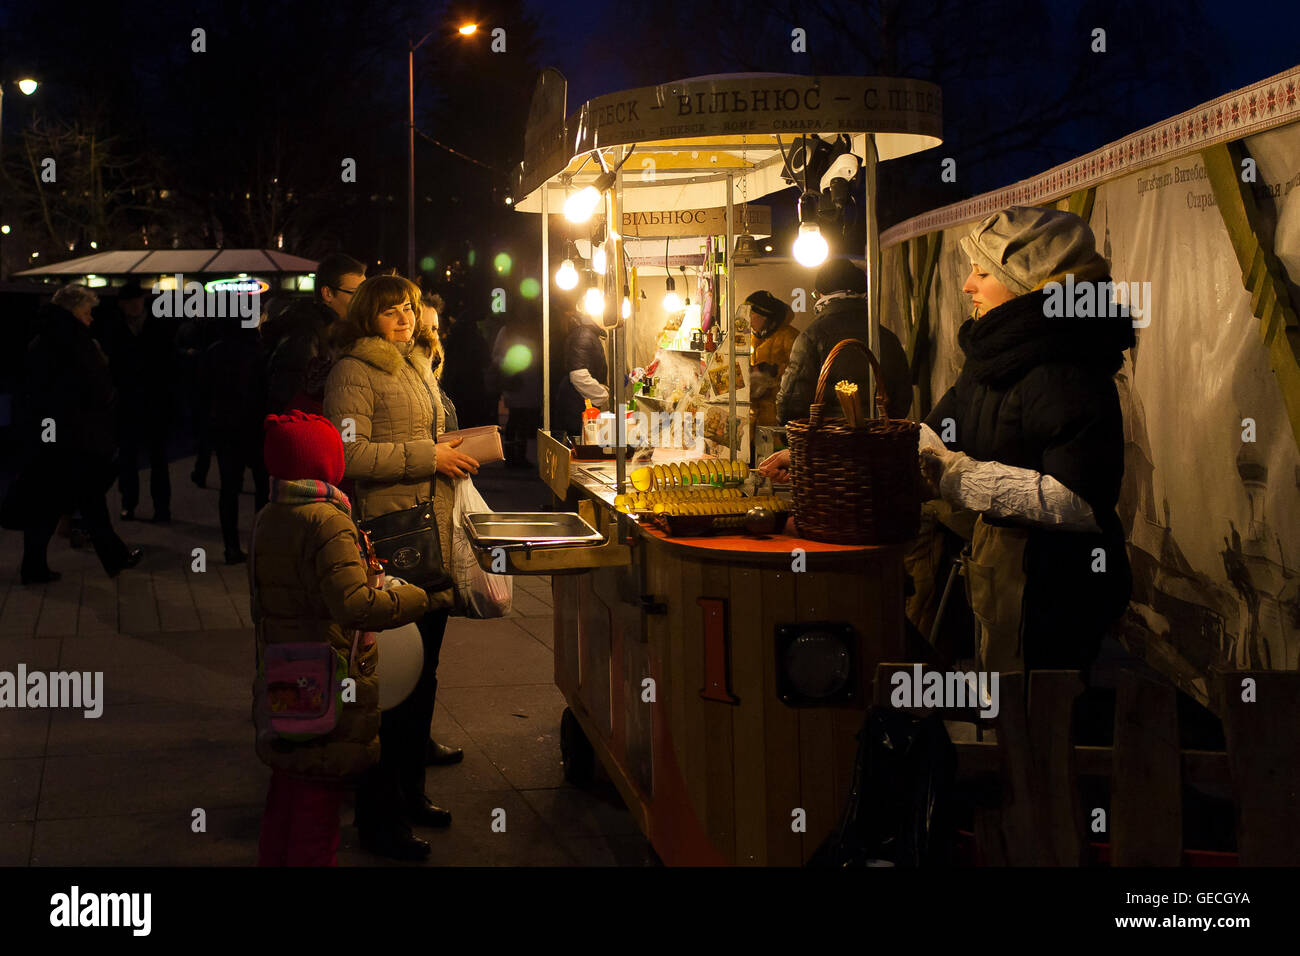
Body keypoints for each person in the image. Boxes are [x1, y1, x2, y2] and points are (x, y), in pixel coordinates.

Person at [918, 206, 1133, 674]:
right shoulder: (994, 355)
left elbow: (1079, 500)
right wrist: (847, 450)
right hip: (1006, 579)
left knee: (1043, 720)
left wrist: (956, 478)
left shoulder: (1065, 367)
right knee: (1007, 711)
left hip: (1055, 592)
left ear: (1027, 283)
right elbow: (936, 430)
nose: (966, 285)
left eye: (980, 272)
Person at [323, 275, 479, 861]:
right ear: (369, 315)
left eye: (409, 309)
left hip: (431, 531)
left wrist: (458, 450)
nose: (404, 319)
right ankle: (379, 820)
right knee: (389, 684)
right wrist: (428, 456)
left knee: (426, 673)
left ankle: (411, 794)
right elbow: (347, 454)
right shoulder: (354, 370)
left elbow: (427, 434)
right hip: (388, 538)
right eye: (391, 311)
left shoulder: (416, 362)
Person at [252, 410, 430, 867]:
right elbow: (353, 603)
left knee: (289, 789)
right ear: (325, 464)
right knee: (318, 804)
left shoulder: (271, 513)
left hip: (285, 668)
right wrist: (412, 598)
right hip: (327, 676)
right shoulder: (326, 520)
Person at [11, 285, 142, 582]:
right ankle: (113, 558)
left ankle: (36, 566)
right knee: (87, 498)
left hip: (50, 435)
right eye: (86, 312)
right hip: (75, 436)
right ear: (73, 312)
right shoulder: (75, 341)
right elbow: (96, 388)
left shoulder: (41, 339)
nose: (90, 319)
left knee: (53, 501)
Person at [775, 258, 911, 425]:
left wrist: (790, 433)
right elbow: (902, 397)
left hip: (827, 443)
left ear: (821, 294)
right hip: (880, 442)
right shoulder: (887, 337)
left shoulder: (811, 337)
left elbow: (793, 401)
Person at [94, 280, 176, 522]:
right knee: (132, 458)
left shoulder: (144, 327)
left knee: (154, 459)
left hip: (149, 401)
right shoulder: (121, 329)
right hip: (131, 402)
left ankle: (157, 507)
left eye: (137, 301)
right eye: (130, 302)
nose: (134, 306)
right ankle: (133, 503)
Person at [201, 317, 270, 564]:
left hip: (225, 427)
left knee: (229, 488)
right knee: (262, 488)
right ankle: (260, 544)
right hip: (255, 426)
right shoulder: (260, 351)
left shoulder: (214, 351)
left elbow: (203, 391)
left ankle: (231, 546)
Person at [266, 253, 366, 414]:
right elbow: (292, 397)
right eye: (355, 293)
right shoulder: (304, 332)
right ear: (327, 293)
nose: (362, 301)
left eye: (364, 293)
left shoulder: (343, 330)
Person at [743, 290, 800, 447]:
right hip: (752, 423)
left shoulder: (790, 336)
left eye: (751, 314)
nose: (747, 318)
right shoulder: (747, 339)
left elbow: (798, 375)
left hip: (778, 422)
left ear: (765, 316)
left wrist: (772, 374)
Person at [490, 309, 543, 467]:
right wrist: (510, 366)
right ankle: (512, 457)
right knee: (515, 418)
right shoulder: (507, 332)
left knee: (525, 419)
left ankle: (520, 455)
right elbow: (497, 356)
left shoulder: (535, 331)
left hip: (530, 382)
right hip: (516, 381)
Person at [437, 295, 494, 427]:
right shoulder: (476, 339)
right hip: (473, 387)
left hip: (455, 387)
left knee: (460, 424)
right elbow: (486, 360)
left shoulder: (453, 339)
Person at [555, 306, 608, 440]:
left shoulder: (588, 334)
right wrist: (603, 395)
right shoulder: (584, 335)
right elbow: (578, 375)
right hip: (576, 407)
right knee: (578, 448)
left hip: (577, 405)